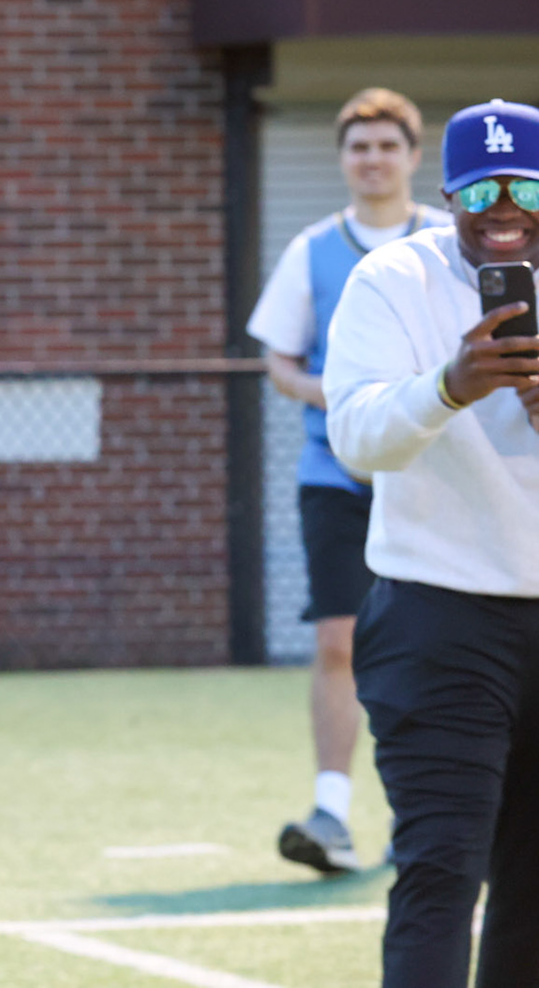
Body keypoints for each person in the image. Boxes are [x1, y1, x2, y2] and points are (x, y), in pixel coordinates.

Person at [324, 98, 539, 986]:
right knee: (443, 868)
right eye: (479, 188)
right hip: (437, 616)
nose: (502, 208)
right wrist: (447, 386)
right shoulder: (391, 279)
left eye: (523, 185)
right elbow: (357, 437)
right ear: (447, 192)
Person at [246, 87, 449, 873]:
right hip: (336, 477)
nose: (373, 159)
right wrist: (337, 394)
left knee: (436, 641)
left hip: (434, 476)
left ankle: (423, 813)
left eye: (386, 146)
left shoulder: (446, 245)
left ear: (412, 157)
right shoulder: (314, 249)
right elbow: (279, 360)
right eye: (359, 147)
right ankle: (331, 812)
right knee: (340, 641)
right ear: (343, 161)